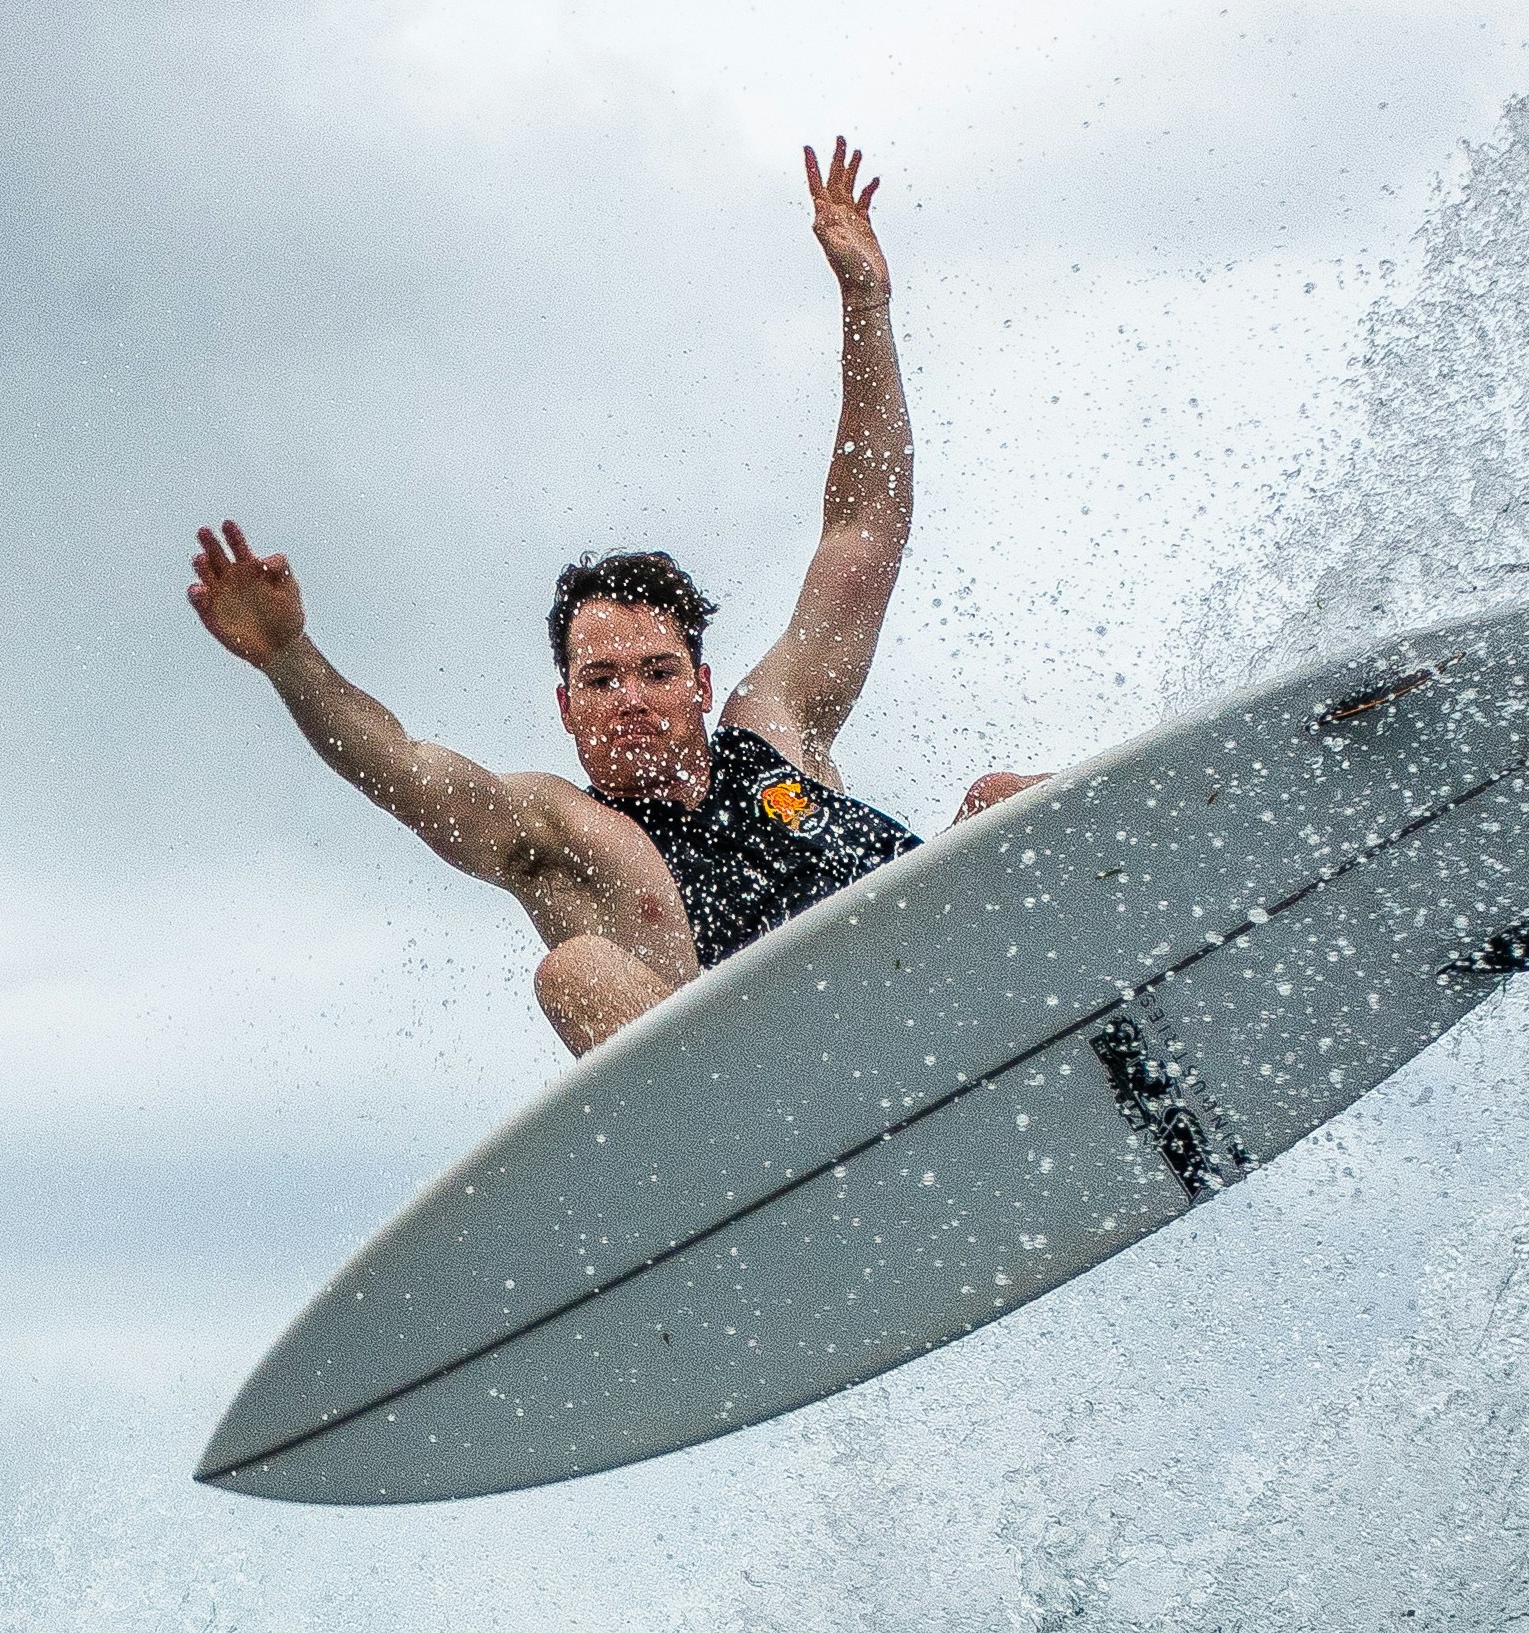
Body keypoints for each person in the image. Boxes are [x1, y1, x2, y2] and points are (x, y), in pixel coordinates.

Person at [188, 138, 1041, 1057]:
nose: (632, 699)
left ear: (703, 686)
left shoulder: (781, 729)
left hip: (951, 1003)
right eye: (600, 681)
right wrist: (288, 658)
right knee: (575, 970)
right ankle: (750, 1147)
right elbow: (396, 764)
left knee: (1003, 799)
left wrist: (865, 306)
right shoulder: (562, 833)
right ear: (565, 706)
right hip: (786, 1082)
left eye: (657, 671)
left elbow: (863, 526)